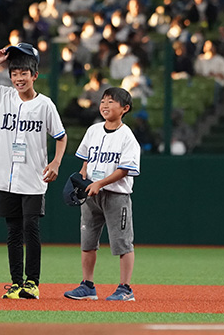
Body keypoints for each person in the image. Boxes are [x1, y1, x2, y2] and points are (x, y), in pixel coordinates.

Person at [0, 43, 67, 300]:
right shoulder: (2, 96)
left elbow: (61, 136)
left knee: (30, 229)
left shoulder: (45, 105)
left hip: (33, 175)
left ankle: (32, 283)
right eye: (14, 73)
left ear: (35, 76)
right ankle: (16, 283)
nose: (18, 78)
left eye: (24, 73)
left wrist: (56, 163)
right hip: (5, 176)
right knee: (12, 232)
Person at [64, 87, 141, 302]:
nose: (105, 105)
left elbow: (125, 169)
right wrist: (82, 179)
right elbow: (86, 160)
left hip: (116, 195)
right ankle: (88, 286)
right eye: (103, 101)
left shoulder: (127, 137)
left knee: (123, 244)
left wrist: (100, 182)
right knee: (87, 242)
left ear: (125, 108)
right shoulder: (93, 130)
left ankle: (125, 289)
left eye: (111, 102)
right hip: (91, 195)